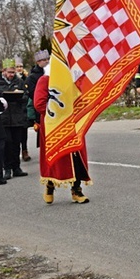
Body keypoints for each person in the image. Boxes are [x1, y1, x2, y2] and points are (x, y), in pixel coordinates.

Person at [34, 67, 91, 204]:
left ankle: (76, 190)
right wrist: (58, 114)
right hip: (54, 125)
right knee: (56, 158)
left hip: (73, 124)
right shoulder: (45, 80)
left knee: (76, 156)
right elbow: (39, 104)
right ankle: (50, 185)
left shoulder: (73, 80)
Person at [0, 58, 29, 179]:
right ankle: (7, 168)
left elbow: (25, 96)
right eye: (9, 72)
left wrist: (19, 95)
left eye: (13, 72)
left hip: (17, 117)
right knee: (6, 144)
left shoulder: (19, 82)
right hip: (3, 118)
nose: (11, 75)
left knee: (16, 143)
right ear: (3, 71)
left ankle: (16, 167)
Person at [24, 49, 50, 160]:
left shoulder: (52, 72)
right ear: (38, 62)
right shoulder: (32, 77)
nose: (47, 61)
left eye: (48, 59)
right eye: (44, 60)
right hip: (42, 109)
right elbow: (33, 94)